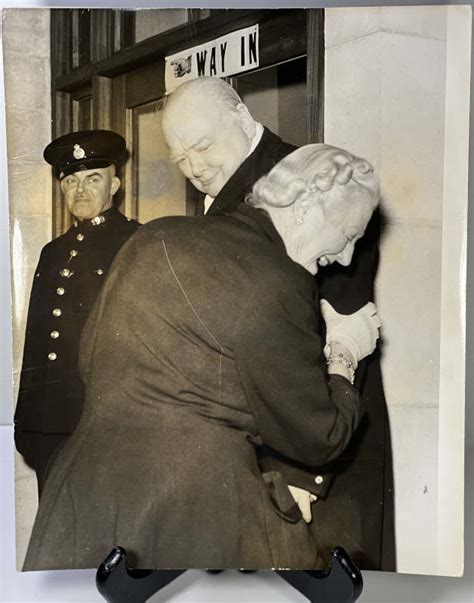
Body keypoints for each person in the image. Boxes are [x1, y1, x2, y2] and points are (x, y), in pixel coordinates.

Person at [23, 144, 380, 571]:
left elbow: (88, 357)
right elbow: (318, 438)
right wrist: (345, 353)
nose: (345, 257)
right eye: (349, 233)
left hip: (85, 495)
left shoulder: (160, 233)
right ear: (306, 209)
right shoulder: (278, 279)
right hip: (191, 510)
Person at [161, 76, 395, 571]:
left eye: (202, 146)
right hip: (247, 451)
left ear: (243, 119)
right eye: (180, 158)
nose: (195, 169)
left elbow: (344, 326)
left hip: (310, 462)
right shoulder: (221, 194)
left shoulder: (314, 180)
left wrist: (302, 473)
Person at [14, 130, 140, 496]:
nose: (80, 191)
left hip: (106, 426)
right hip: (51, 426)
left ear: (114, 184)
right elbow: (38, 341)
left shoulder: (137, 242)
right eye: (70, 181)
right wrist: (28, 424)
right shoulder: (53, 253)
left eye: (93, 179)